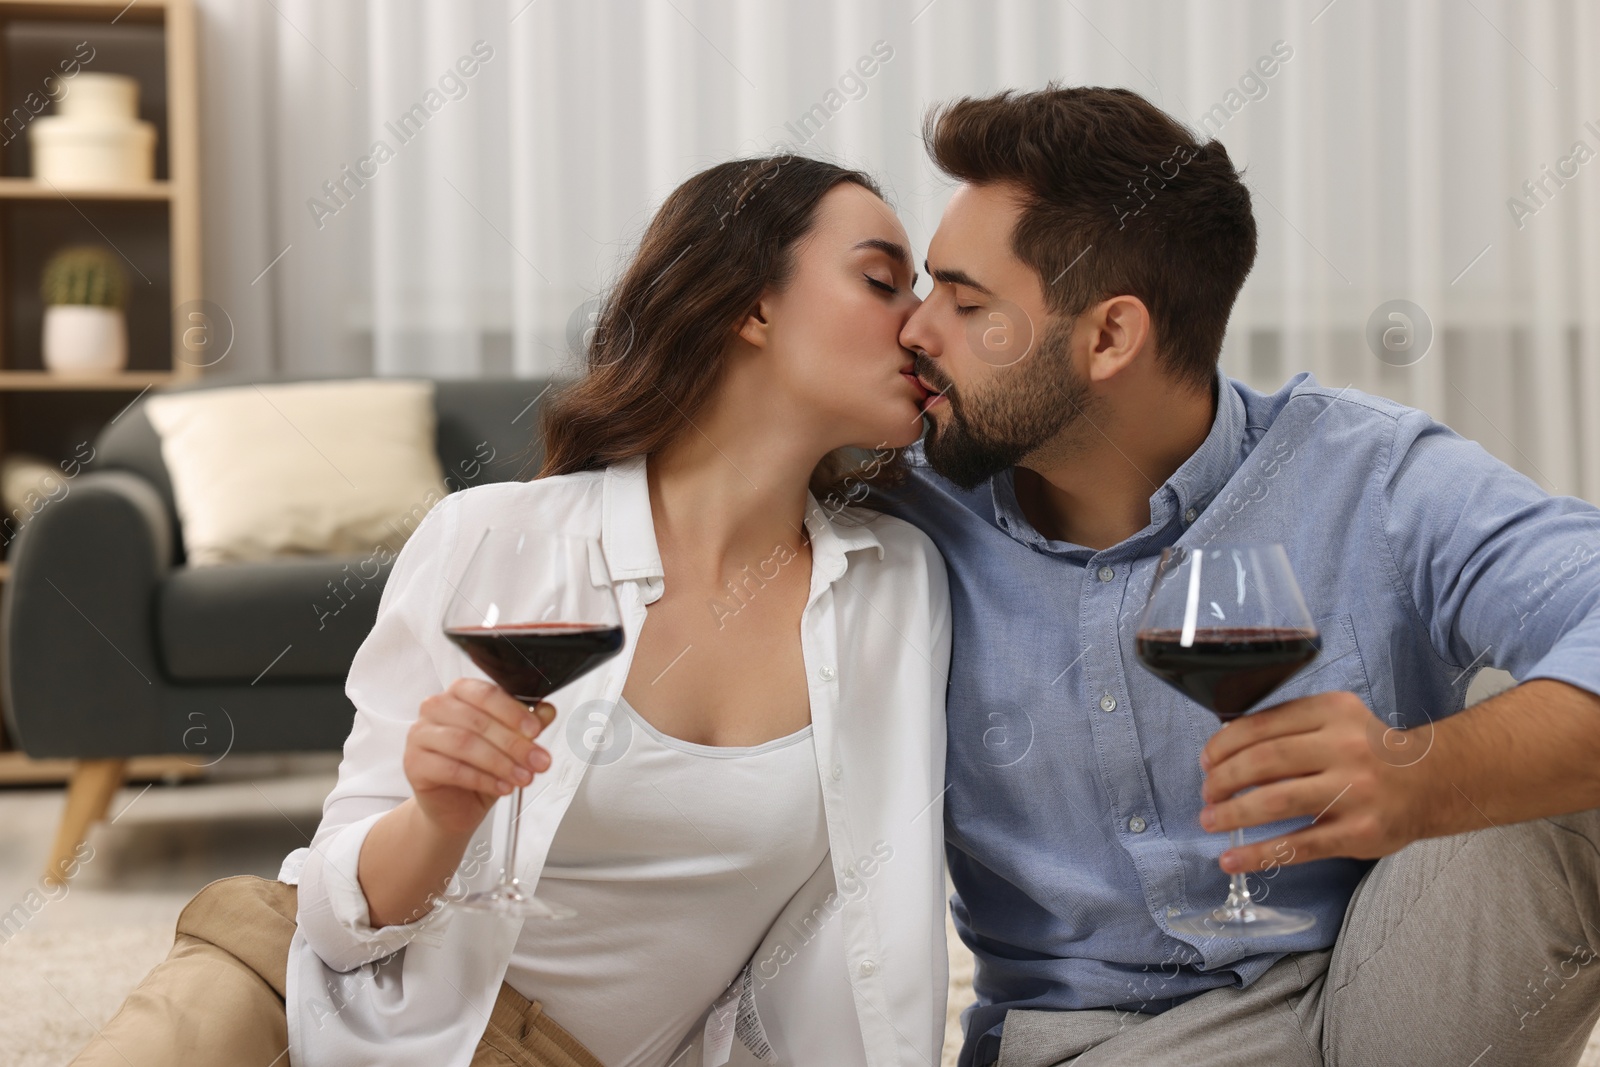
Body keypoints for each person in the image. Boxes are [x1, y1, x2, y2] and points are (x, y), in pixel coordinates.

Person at [72, 155, 952, 1067]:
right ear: (750, 305)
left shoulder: (897, 587)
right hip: (309, 1003)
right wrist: (440, 817)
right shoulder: (489, 538)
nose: (923, 325)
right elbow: (339, 923)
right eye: (882, 280)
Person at [871, 85, 1600, 1067]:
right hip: (1103, 1037)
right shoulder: (902, 510)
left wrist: (1430, 770)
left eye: (964, 303)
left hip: (1376, 983)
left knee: (1555, 767)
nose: (916, 331)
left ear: (1108, 338)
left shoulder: (1369, 473)